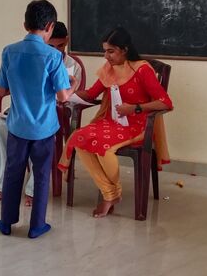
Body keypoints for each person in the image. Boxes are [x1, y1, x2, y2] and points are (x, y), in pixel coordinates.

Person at [60, 27, 173, 218]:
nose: (106, 56)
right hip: (112, 122)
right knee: (79, 138)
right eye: (104, 51)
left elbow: (165, 102)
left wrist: (135, 108)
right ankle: (110, 193)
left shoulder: (142, 70)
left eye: (110, 51)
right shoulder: (109, 69)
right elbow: (91, 94)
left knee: (104, 147)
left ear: (124, 49)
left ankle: (110, 195)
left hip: (137, 125)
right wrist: (67, 93)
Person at [0, 0, 75, 239]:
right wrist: (74, 86)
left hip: (18, 126)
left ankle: (7, 222)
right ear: (50, 26)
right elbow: (62, 97)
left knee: (12, 172)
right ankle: (37, 226)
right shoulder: (53, 56)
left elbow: (1, 91)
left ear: (25, 24)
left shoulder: (9, 51)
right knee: (41, 176)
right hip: (43, 128)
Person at [0, 21, 82, 206]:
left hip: (52, 113)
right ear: (45, 36)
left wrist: (72, 88)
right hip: (25, 110)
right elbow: (7, 89)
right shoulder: (31, 56)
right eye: (51, 45)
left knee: (42, 136)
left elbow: (65, 98)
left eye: (61, 46)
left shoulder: (72, 65)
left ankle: (32, 189)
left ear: (67, 41)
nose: (57, 50)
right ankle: (3, 184)